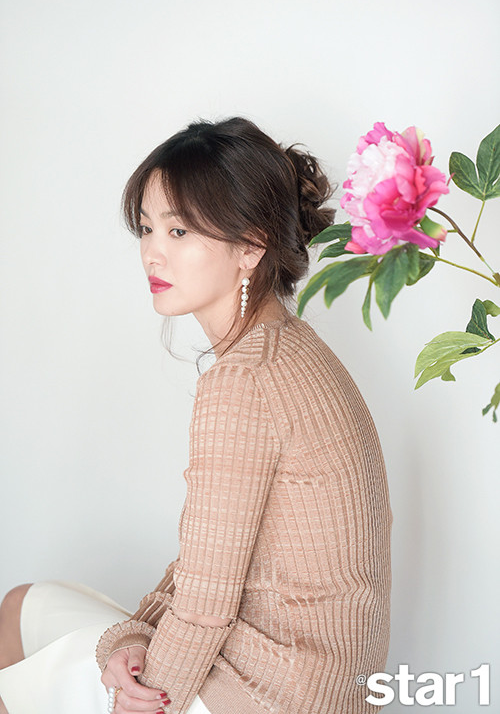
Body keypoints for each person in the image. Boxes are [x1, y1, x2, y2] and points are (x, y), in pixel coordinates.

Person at [0, 116, 393, 714]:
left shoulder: (242, 382)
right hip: (328, 685)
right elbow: (207, 559)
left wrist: (146, 697)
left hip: (267, 694)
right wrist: (134, 636)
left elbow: (207, 606)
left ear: (251, 247)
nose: (152, 253)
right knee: (23, 605)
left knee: (18, 662)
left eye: (179, 230)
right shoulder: (294, 347)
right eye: (146, 227)